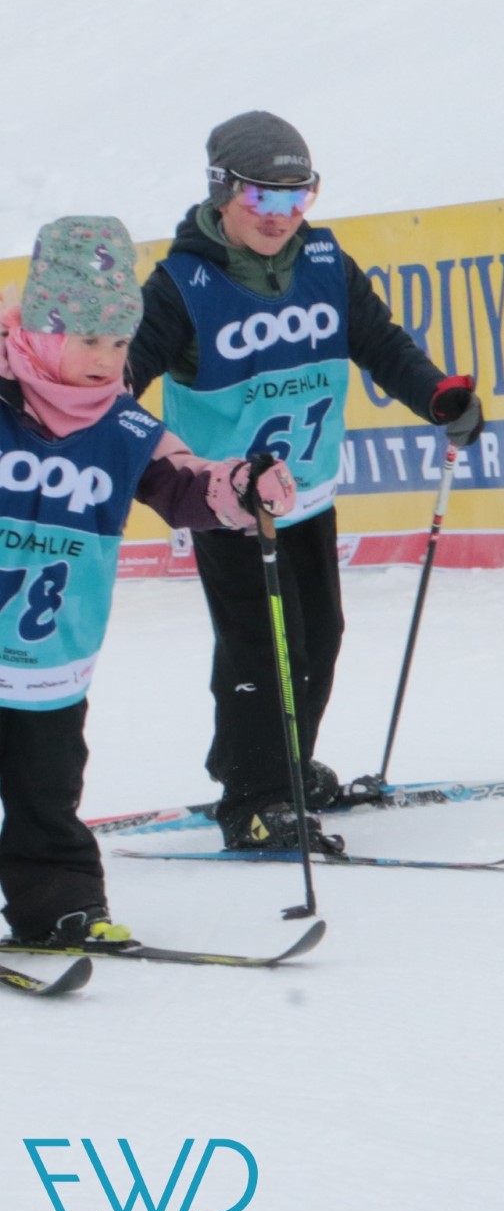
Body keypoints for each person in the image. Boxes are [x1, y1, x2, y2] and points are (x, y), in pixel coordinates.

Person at [125, 112, 485, 855]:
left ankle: (278, 766)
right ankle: (254, 800)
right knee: (263, 646)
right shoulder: (182, 284)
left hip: (309, 492)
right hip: (229, 501)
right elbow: (123, 374)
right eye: (262, 196)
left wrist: (436, 396)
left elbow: (380, 342)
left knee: (318, 636)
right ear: (222, 190)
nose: (281, 214)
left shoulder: (325, 262)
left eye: (299, 195)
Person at [0, 217, 296, 949]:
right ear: (42, 333)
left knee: (47, 789)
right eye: (88, 340)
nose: (107, 360)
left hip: (49, 654)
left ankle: (59, 906)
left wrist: (243, 486)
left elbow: (186, 484)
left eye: (119, 342)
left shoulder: (124, 425)